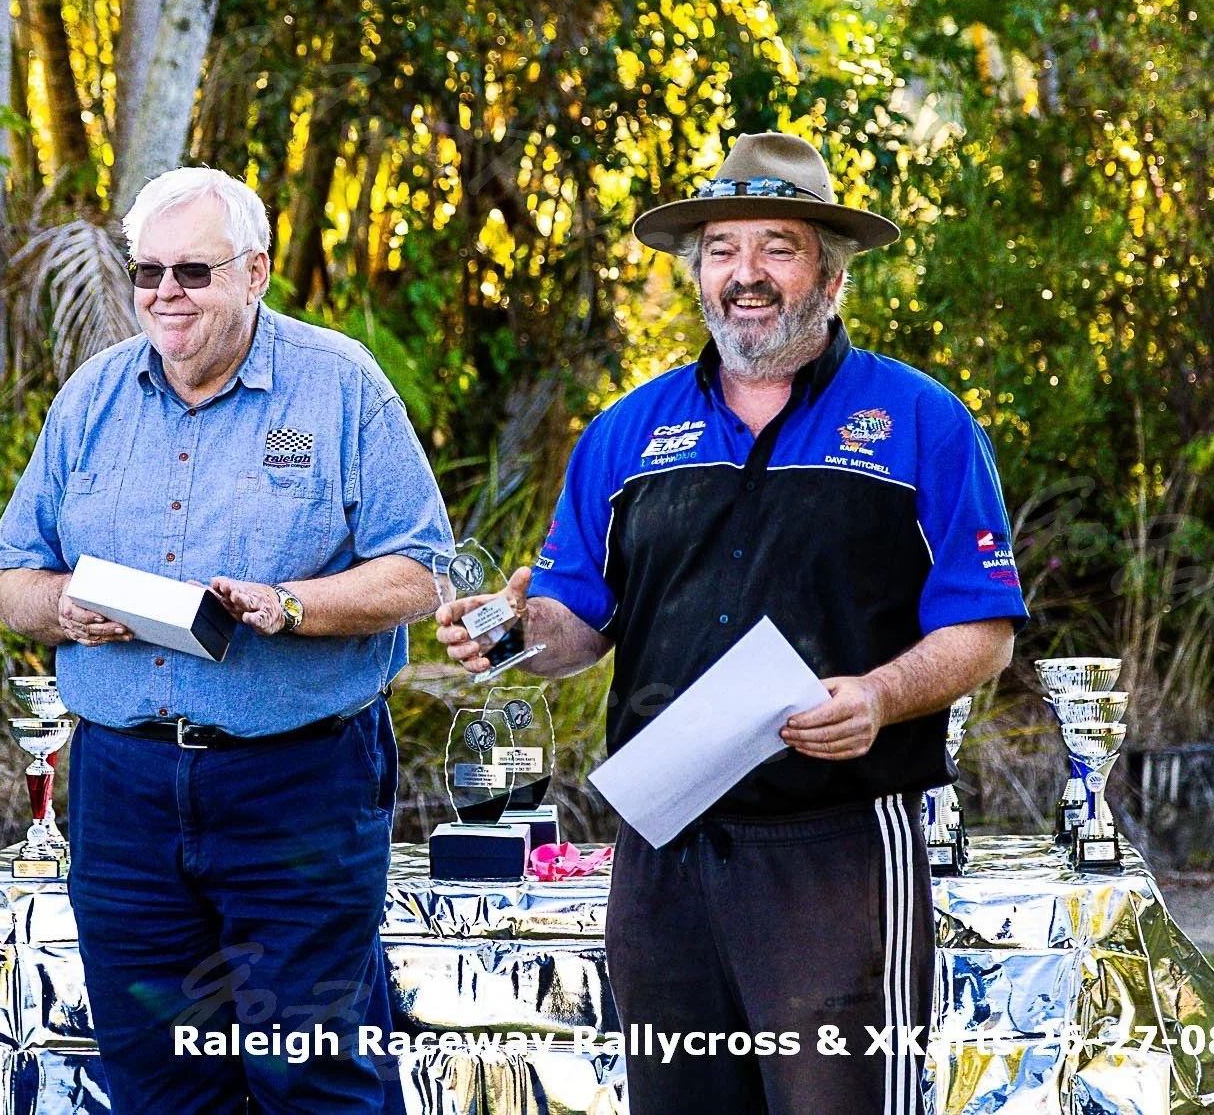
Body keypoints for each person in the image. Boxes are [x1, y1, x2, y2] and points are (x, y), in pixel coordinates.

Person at [437, 132, 1027, 1113]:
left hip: (834, 851)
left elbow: (985, 628)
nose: (745, 273)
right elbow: (575, 623)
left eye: (776, 246)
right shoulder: (625, 433)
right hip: (661, 852)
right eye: (721, 249)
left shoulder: (922, 422)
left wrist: (879, 696)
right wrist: (509, 628)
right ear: (697, 274)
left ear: (830, 274)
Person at [0, 167, 451, 1114]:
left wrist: (292, 605)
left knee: (312, 1076)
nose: (166, 293)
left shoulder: (340, 386)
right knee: (158, 1083)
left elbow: (422, 571)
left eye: (193, 271)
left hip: (299, 787)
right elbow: (13, 580)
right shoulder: (91, 398)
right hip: (123, 793)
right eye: (148, 271)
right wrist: (64, 608)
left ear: (256, 272)